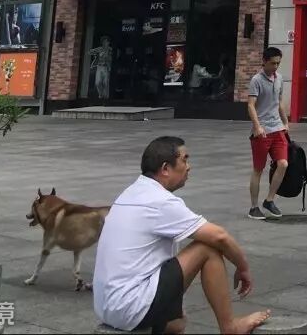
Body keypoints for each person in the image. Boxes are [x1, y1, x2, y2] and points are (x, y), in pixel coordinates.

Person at [92, 136, 269, 335]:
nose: (189, 167)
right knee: (207, 248)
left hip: (108, 307)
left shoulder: (132, 192)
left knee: (176, 323)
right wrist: (243, 267)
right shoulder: (160, 201)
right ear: (165, 168)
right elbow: (220, 236)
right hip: (129, 306)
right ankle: (230, 327)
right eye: (184, 160)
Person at [245, 47, 289, 220]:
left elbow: (279, 102)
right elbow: (251, 105)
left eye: (278, 63)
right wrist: (257, 127)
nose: (275, 67)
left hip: (277, 128)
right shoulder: (256, 80)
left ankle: (269, 200)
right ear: (264, 61)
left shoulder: (279, 79)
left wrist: (285, 122)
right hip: (261, 132)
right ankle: (253, 207)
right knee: (258, 169)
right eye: (272, 63)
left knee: (283, 164)